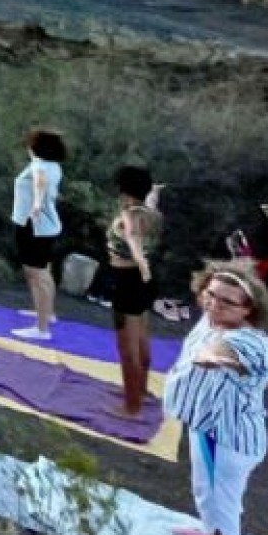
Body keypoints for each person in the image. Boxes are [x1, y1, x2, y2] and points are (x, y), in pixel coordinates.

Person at [161, 265, 268, 535]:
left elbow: (225, 352)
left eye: (227, 302)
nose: (214, 305)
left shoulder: (248, 341)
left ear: (248, 309)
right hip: (211, 430)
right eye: (210, 295)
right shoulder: (213, 319)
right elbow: (232, 281)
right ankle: (211, 534)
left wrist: (213, 356)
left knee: (221, 504)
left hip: (227, 441)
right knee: (209, 495)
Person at [106, 166, 164, 419]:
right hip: (141, 284)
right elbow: (151, 202)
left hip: (127, 283)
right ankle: (140, 391)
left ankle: (132, 407)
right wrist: (154, 192)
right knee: (141, 337)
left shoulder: (130, 216)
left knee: (127, 348)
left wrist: (141, 262)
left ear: (123, 190)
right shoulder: (150, 213)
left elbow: (133, 239)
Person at [10, 129, 67, 340]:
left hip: (33, 226)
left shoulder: (40, 166)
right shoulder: (54, 166)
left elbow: (39, 181)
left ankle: (41, 329)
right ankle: (47, 313)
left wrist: (35, 203)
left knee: (36, 274)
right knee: (44, 271)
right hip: (46, 228)